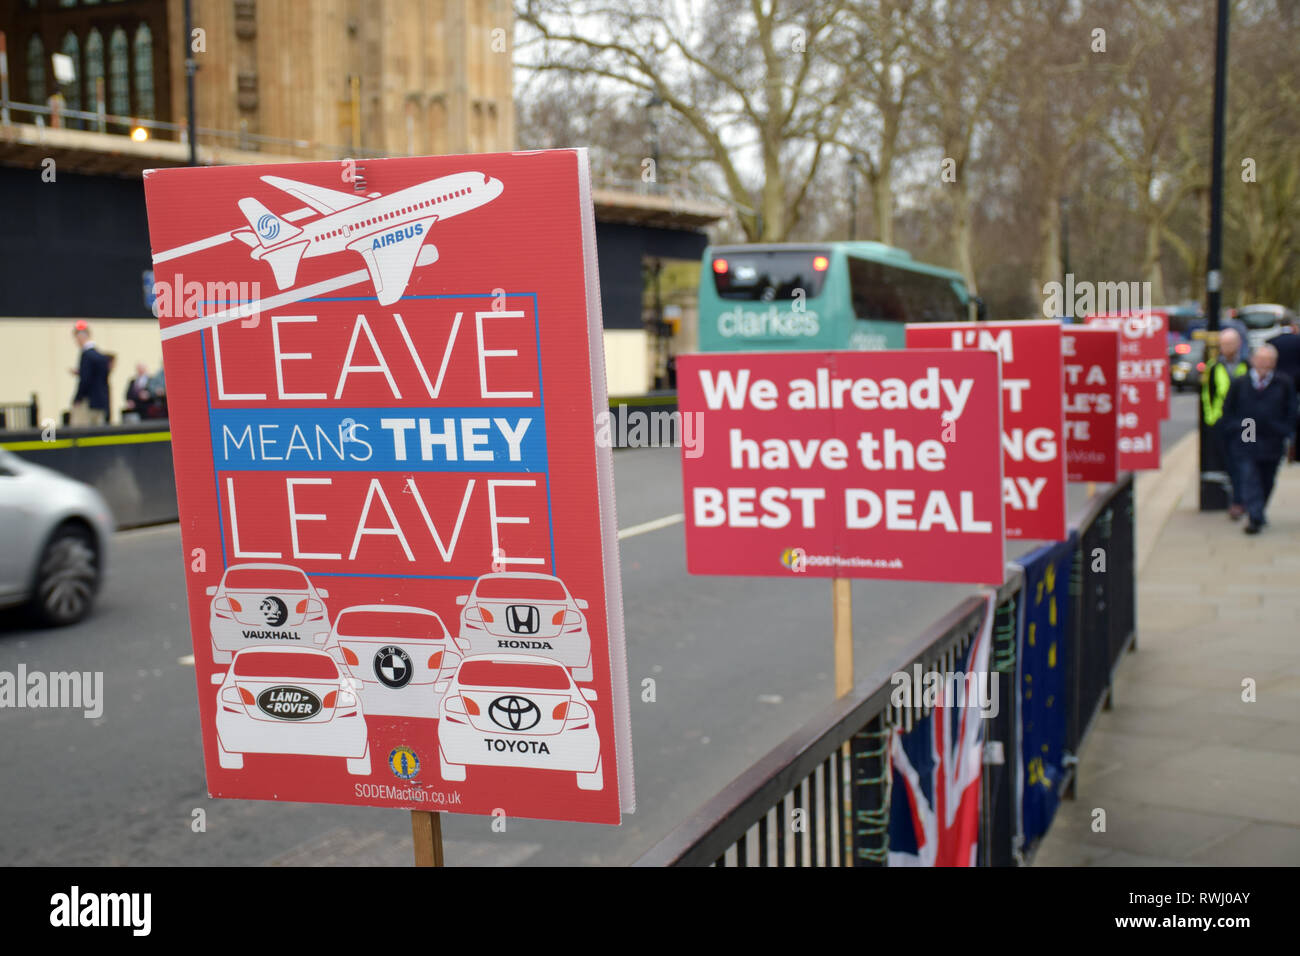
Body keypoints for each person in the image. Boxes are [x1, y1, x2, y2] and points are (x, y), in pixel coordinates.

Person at [1222, 343, 1296, 534]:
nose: (1264, 364)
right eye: (1261, 360)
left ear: (1274, 363)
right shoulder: (1240, 382)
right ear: (1253, 361)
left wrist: (1285, 430)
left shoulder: (1284, 382)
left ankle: (1258, 511)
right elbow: (1228, 410)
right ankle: (1254, 517)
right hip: (1248, 434)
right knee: (1249, 476)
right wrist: (1235, 428)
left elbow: (1291, 410)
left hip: (1272, 438)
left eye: (1268, 361)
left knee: (1267, 479)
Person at [1201, 327, 1250, 517]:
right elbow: (1208, 395)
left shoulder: (1247, 365)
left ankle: (1242, 500)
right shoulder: (1213, 367)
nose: (1227, 347)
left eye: (1231, 343)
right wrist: (1211, 420)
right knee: (1230, 462)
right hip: (1223, 422)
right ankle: (1239, 500)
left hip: (1247, 423)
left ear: (1239, 344)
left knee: (1246, 460)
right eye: (1224, 344)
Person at [70, 321, 112, 425]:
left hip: (88, 402)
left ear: (81, 336)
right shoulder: (101, 357)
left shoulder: (86, 355)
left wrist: (77, 398)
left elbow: (85, 380)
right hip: (101, 401)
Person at [1268, 327, 1300, 462]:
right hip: (1297, 381)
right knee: (1294, 413)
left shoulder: (1272, 341)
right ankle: (1294, 449)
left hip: (1278, 383)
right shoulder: (1298, 340)